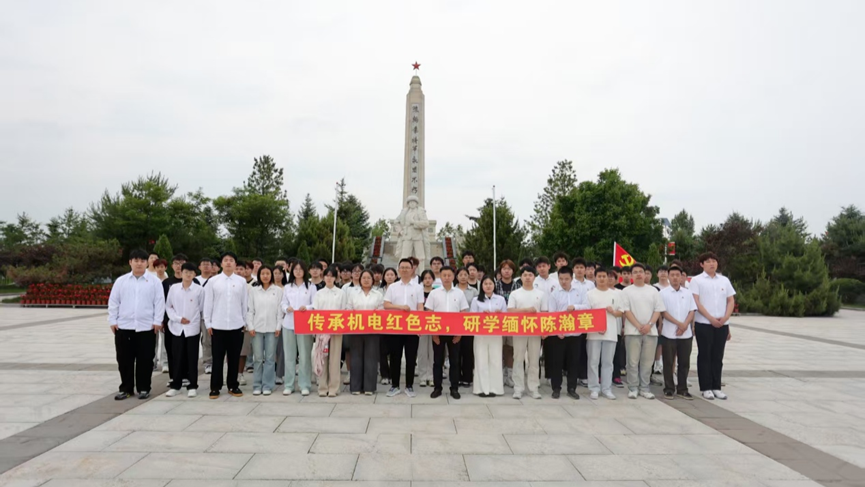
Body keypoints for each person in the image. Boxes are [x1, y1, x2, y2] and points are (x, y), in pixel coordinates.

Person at [109, 249, 165, 400]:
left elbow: (159, 302)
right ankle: (126, 388)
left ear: (147, 263)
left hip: (146, 327)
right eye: (136, 261)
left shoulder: (154, 282)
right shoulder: (121, 281)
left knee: (145, 360)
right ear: (130, 262)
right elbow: (114, 302)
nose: (139, 264)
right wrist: (113, 321)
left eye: (142, 261)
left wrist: (157, 321)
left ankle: (144, 388)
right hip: (124, 326)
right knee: (124, 360)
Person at [691, 252, 735, 400]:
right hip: (704, 323)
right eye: (708, 261)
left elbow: (730, 300)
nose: (712, 264)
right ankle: (706, 387)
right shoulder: (697, 280)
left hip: (722, 324)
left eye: (714, 261)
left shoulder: (724, 280)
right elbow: (696, 302)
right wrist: (710, 318)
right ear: (702, 264)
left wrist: (725, 318)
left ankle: (716, 386)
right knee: (705, 355)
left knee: (718, 356)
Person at [203, 252, 248, 399]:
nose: (228, 262)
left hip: (236, 325)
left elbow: (244, 303)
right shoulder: (213, 281)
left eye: (231, 260)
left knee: (234, 358)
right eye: (226, 260)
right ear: (221, 264)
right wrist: (208, 323)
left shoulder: (241, 282)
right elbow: (208, 303)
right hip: (218, 325)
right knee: (217, 358)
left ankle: (233, 385)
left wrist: (244, 322)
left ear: (235, 264)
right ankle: (215, 387)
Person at [621, 263, 666, 400]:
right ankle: (633, 388)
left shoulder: (653, 291)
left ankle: (645, 388)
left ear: (645, 273)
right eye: (635, 272)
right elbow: (626, 310)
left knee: (647, 362)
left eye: (641, 271)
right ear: (632, 275)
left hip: (650, 332)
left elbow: (658, 309)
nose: (638, 274)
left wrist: (649, 325)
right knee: (632, 362)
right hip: (632, 332)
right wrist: (639, 325)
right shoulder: (626, 291)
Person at [383, 258, 424, 398]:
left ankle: (409, 385)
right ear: (398, 269)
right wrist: (401, 308)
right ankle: (394, 385)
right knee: (395, 357)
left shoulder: (418, 287)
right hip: (395, 326)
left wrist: (420, 326)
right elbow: (386, 305)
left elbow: (420, 307)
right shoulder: (393, 287)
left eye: (407, 267)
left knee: (411, 357)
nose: (405, 270)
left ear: (412, 269)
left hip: (412, 327)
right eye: (402, 267)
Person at [425, 266, 469, 399]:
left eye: (449, 275)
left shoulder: (459, 293)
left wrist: (460, 332)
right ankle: (437, 387)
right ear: (440, 277)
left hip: (455, 332)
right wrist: (433, 333)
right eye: (444, 275)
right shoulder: (434, 293)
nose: (447, 278)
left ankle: (454, 388)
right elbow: (429, 313)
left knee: (455, 361)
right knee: (437, 361)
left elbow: (463, 313)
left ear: (453, 277)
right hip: (438, 332)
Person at [547, 266, 588, 400]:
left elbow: (587, 307)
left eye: (566, 279)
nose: (563, 282)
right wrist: (558, 330)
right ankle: (556, 388)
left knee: (573, 362)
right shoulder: (554, 293)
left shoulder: (580, 291)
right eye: (561, 279)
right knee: (557, 362)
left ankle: (571, 388)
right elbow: (552, 314)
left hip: (575, 334)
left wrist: (575, 307)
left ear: (572, 278)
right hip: (559, 334)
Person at [507, 266, 548, 400]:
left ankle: (533, 388)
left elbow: (545, 313)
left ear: (534, 277)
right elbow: (510, 311)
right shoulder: (515, 293)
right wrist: (525, 310)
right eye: (525, 275)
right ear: (521, 277)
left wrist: (544, 330)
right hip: (519, 330)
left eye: (530, 275)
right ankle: (518, 388)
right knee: (518, 359)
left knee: (534, 360)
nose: (528, 278)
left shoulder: (541, 294)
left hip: (535, 331)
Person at [164, 262, 203, 397]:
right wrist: (178, 318)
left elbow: (201, 309)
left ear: (194, 274)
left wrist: (194, 321)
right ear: (181, 273)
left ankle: (192, 385)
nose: (188, 275)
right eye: (186, 272)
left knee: (192, 358)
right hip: (177, 328)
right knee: (177, 357)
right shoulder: (174, 288)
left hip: (192, 328)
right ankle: (176, 385)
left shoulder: (199, 290)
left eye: (191, 273)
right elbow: (168, 306)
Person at [586, 267, 623, 400]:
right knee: (593, 361)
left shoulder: (616, 294)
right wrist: (596, 327)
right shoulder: (590, 294)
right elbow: (587, 313)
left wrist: (613, 312)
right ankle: (594, 388)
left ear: (608, 278)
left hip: (611, 333)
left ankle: (606, 388)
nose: (602, 279)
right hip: (593, 333)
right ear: (595, 278)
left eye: (604, 276)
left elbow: (621, 312)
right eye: (599, 276)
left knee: (608, 362)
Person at [659, 265, 696, 400]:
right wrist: (679, 323)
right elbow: (663, 312)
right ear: (668, 277)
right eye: (672, 275)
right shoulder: (663, 293)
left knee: (684, 363)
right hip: (669, 333)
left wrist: (685, 325)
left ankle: (682, 388)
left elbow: (692, 310)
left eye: (677, 275)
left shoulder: (688, 293)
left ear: (681, 277)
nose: (675, 278)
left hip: (685, 334)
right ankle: (669, 388)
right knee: (668, 362)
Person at [281, 260, 317, 396]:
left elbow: (315, 304)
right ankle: (289, 385)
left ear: (304, 271)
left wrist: (306, 307)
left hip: (304, 324)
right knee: (289, 356)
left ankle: (304, 384)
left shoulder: (311, 287)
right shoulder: (287, 287)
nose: (297, 271)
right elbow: (283, 303)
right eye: (295, 269)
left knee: (304, 356)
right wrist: (286, 308)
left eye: (300, 269)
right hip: (289, 324)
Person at [247, 266, 283, 396]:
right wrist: (250, 326)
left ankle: (267, 385)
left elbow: (280, 311)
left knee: (270, 358)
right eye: (263, 273)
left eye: (268, 273)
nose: (265, 276)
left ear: (271, 275)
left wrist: (278, 326)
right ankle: (257, 385)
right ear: (259, 275)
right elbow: (250, 310)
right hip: (256, 329)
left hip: (272, 329)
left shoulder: (278, 291)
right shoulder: (254, 291)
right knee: (258, 358)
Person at [346, 269, 383, 395]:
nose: (366, 280)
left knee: (371, 358)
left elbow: (381, 311)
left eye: (368, 278)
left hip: (373, 329)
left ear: (373, 280)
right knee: (356, 358)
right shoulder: (353, 293)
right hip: (356, 329)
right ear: (360, 280)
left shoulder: (378, 294)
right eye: (364, 278)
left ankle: (369, 387)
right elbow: (348, 309)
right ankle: (355, 387)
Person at [312, 266, 348, 397]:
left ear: (335, 278)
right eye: (327, 275)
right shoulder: (319, 293)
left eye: (331, 276)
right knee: (322, 357)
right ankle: (322, 387)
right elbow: (315, 310)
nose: (329, 278)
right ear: (323, 277)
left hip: (336, 328)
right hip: (322, 330)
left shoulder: (341, 293)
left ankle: (334, 388)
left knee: (335, 359)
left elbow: (344, 310)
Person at [471, 276, 506, 397]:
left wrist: (500, 314)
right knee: (481, 360)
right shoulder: (476, 300)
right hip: (481, 334)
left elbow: (506, 317)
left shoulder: (500, 299)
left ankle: (495, 389)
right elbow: (471, 317)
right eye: (485, 283)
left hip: (496, 334)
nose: (488, 286)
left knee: (495, 360)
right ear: (481, 286)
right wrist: (481, 315)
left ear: (494, 285)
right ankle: (481, 388)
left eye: (490, 283)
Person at [160, 254, 189, 383]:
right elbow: (162, 303)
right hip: (170, 322)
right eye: (176, 263)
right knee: (171, 349)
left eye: (182, 263)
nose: (179, 266)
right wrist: (162, 320)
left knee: (186, 350)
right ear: (172, 266)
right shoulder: (166, 283)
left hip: (187, 322)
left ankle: (186, 376)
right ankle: (173, 377)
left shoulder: (193, 282)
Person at [571, 258, 596, 387]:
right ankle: (573, 376)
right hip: (573, 320)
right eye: (577, 267)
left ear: (585, 270)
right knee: (574, 350)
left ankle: (583, 375)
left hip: (587, 319)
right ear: (573, 270)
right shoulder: (570, 283)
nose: (579, 270)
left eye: (582, 268)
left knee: (585, 349)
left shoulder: (591, 285)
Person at [495, 259, 519, 388]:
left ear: (513, 271)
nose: (506, 271)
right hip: (497, 323)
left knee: (510, 349)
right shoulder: (495, 285)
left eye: (509, 269)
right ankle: (500, 376)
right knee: (498, 349)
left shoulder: (518, 286)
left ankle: (509, 376)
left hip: (512, 322)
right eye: (504, 269)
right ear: (500, 271)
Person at [455, 267, 479, 387]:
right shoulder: (453, 290)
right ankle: (456, 377)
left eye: (465, 274)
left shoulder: (474, 291)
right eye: (461, 275)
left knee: (468, 351)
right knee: (456, 352)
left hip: (469, 324)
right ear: (457, 277)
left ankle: (467, 377)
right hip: (455, 325)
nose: (463, 277)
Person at [378, 266, 398, 385]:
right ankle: (384, 374)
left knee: (395, 350)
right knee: (382, 350)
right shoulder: (378, 291)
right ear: (383, 277)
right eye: (387, 275)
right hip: (381, 323)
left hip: (396, 323)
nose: (390, 277)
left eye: (392, 275)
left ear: (396, 277)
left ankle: (394, 374)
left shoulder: (400, 289)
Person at [416, 270, 436, 387]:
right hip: (421, 325)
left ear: (433, 279)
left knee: (433, 351)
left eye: (429, 278)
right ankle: (423, 377)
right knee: (422, 352)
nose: (427, 280)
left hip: (434, 324)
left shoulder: (437, 292)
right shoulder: (418, 293)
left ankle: (432, 376)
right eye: (425, 278)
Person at [195, 258, 214, 375]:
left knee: (207, 340)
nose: (206, 266)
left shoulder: (215, 280)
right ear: (199, 267)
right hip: (194, 315)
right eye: (204, 264)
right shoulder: (195, 279)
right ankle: (191, 363)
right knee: (192, 341)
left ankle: (208, 363)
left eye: (208, 264)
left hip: (207, 316)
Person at [272, 264, 287, 386]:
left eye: (279, 273)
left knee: (281, 350)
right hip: (268, 322)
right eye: (275, 273)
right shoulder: (268, 288)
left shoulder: (286, 289)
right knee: (269, 350)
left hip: (282, 322)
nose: (277, 276)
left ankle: (279, 374)